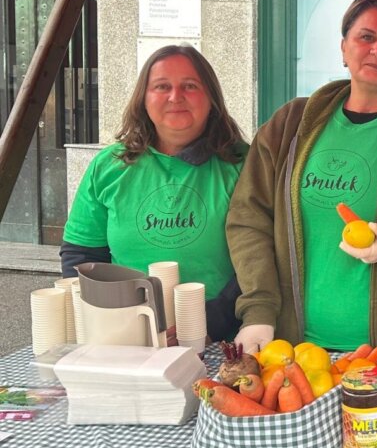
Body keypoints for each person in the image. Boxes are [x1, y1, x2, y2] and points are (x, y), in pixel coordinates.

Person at [227, 0, 377, 356]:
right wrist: (259, 310)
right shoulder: (290, 125)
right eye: (366, 36)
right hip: (295, 349)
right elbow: (248, 219)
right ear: (344, 47)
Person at [61, 44, 248, 342]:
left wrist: (212, 320)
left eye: (190, 86)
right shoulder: (108, 167)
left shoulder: (243, 164)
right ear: (143, 100)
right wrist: (104, 320)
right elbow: (82, 256)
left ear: (211, 98)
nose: (176, 97)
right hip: (127, 335)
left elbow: (262, 257)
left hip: (221, 338)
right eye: (162, 86)